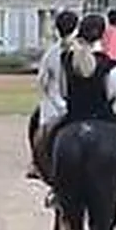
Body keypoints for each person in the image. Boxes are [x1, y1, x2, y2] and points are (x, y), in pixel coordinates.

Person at [49, 12, 116, 205]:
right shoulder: (106, 60)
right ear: (101, 35)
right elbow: (109, 92)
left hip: (73, 116)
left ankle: (55, 188)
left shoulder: (67, 58)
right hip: (103, 115)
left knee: (51, 139)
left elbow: (64, 91)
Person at [27, 9, 81, 181]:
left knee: (37, 130)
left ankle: (36, 164)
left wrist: (55, 99)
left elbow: (42, 81)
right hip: (81, 104)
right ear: (76, 28)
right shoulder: (85, 52)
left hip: (55, 106)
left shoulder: (50, 53)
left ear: (57, 30)